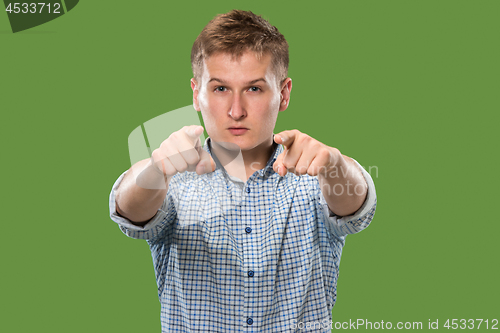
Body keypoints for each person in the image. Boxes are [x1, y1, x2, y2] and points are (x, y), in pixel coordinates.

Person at [109, 9, 376, 332]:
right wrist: (156, 170)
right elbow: (130, 211)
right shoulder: (172, 177)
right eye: (220, 89)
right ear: (196, 93)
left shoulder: (315, 174)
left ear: (284, 93)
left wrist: (334, 166)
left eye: (254, 89)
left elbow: (356, 207)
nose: (236, 111)